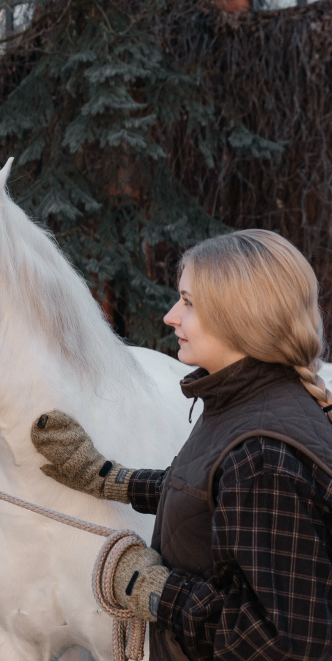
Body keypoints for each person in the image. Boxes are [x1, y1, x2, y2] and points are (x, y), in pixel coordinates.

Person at [29, 230, 332, 661]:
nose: (172, 316)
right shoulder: (243, 405)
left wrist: (158, 590)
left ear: (240, 315)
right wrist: (105, 477)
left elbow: (285, 644)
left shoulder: (264, 454)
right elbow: (207, 493)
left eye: (188, 302)